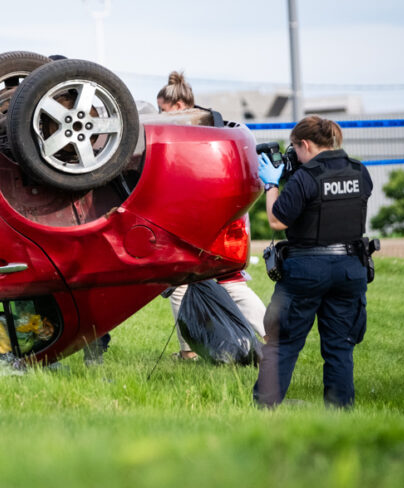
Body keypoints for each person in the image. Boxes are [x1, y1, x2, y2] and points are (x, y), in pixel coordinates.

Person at [253, 115, 373, 408]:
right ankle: (340, 412)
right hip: (350, 269)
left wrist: (272, 185)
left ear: (305, 143)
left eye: (295, 148)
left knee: (283, 342)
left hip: (306, 271)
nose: (293, 155)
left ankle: (264, 408)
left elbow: (276, 219)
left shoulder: (306, 178)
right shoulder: (360, 171)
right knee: (339, 347)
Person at [157, 71, 266, 360]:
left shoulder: (184, 132)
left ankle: (189, 351)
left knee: (188, 285)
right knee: (230, 281)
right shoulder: (217, 124)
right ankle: (272, 338)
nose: (159, 116)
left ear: (179, 106)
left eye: (162, 111)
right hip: (225, 214)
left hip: (201, 217)